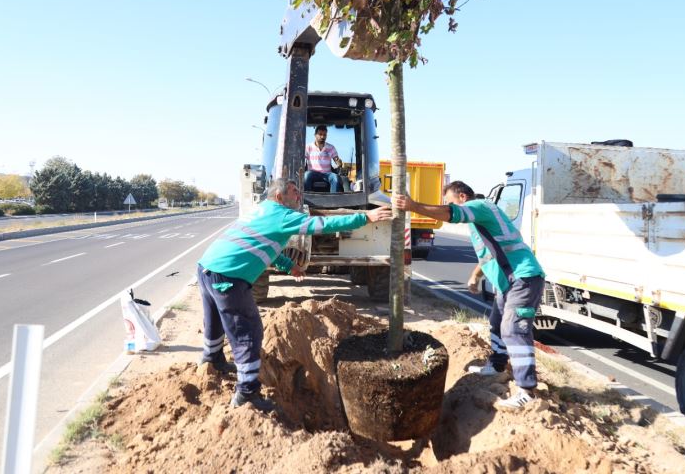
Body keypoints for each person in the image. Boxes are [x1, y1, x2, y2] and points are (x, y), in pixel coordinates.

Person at [197, 177, 392, 411]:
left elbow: (266, 246)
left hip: (207, 269)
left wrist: (290, 266)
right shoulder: (282, 216)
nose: (299, 196)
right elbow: (321, 225)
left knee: (215, 320)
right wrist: (365, 217)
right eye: (294, 192)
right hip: (228, 277)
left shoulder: (263, 210)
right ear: (280, 197)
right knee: (248, 331)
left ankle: (213, 360)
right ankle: (247, 393)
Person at [393, 181, 546, 410]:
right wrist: (475, 276)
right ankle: (496, 366)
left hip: (523, 278)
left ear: (463, 197)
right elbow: (487, 256)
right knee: (496, 324)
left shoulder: (479, 206)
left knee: (513, 329)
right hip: (508, 283)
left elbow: (451, 214)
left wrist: (413, 205)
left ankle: (527, 392)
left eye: (450, 201)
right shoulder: (479, 222)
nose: (447, 205)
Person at [304, 125, 343, 192]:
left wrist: (339, 163)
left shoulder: (331, 147)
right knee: (306, 175)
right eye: (320, 134)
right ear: (315, 135)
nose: (322, 137)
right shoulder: (308, 147)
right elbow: (301, 159)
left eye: (324, 135)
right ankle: (307, 198)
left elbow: (336, 160)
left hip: (327, 174)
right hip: (313, 173)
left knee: (335, 178)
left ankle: (333, 199)